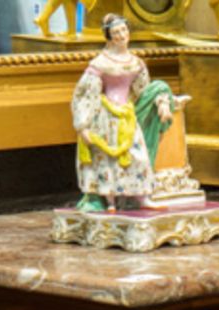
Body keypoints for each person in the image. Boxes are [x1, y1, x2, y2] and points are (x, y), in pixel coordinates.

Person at [70, 15, 176, 212]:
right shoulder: (101, 63)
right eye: (116, 32)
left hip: (126, 116)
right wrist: (83, 124)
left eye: (124, 31)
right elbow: (85, 94)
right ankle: (109, 199)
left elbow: (142, 91)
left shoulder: (136, 63)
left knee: (138, 156)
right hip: (106, 117)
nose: (121, 35)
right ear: (109, 37)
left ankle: (142, 196)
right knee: (108, 159)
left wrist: (161, 100)